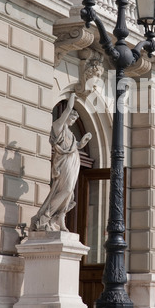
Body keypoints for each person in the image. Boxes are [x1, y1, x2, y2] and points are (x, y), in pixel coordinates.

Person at [31, 93, 92, 232]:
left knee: (69, 194)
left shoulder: (70, 133)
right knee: (66, 189)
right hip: (64, 164)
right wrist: (73, 97)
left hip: (73, 163)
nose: (74, 120)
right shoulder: (58, 126)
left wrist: (83, 142)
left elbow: (74, 146)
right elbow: (68, 109)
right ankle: (46, 215)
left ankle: (60, 218)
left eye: (76, 118)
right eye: (72, 117)